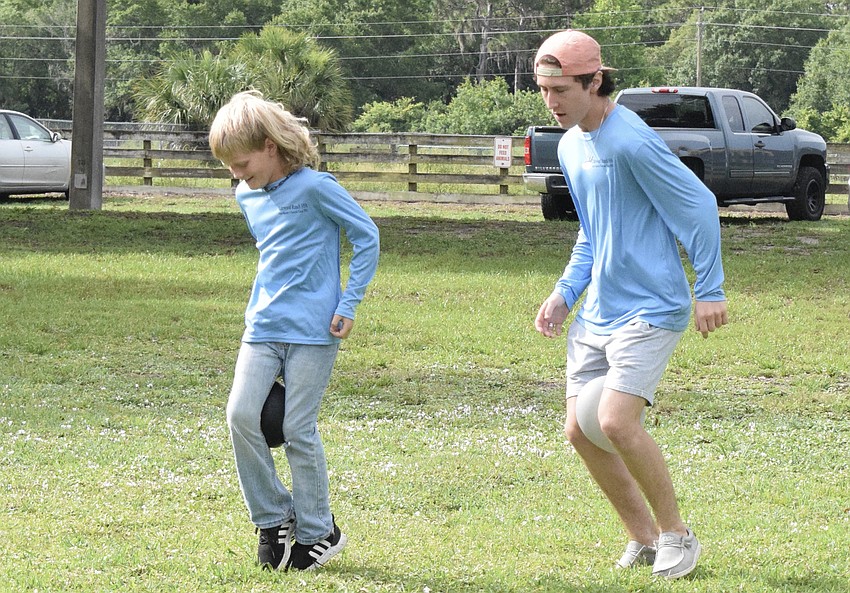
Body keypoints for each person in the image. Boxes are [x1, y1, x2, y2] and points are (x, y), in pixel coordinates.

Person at [531, 30, 728, 579]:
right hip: (599, 310)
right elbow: (593, 233)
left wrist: (708, 289)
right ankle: (642, 539)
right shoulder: (571, 146)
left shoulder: (631, 141)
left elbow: (700, 206)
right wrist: (565, 292)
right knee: (578, 431)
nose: (551, 101)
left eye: (561, 89)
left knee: (616, 421)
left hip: (652, 307)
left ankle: (677, 536)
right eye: (544, 90)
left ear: (595, 81)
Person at [208, 91, 380, 571]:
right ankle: (272, 517)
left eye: (242, 163)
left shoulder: (316, 188)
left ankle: (319, 530)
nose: (237, 176)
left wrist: (350, 302)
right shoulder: (246, 194)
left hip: (314, 331)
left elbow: (367, 236)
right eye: (229, 168)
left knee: (296, 429)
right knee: (241, 415)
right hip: (261, 325)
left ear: (269, 145)